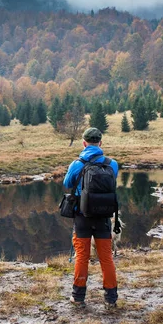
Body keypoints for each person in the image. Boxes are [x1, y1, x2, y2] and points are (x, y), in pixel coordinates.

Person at [63, 127, 119, 309]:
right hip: (103, 216)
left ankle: (78, 297)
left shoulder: (77, 164)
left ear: (84, 143)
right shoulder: (112, 164)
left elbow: (67, 183)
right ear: (100, 143)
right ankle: (111, 299)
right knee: (106, 258)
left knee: (82, 256)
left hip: (82, 217)